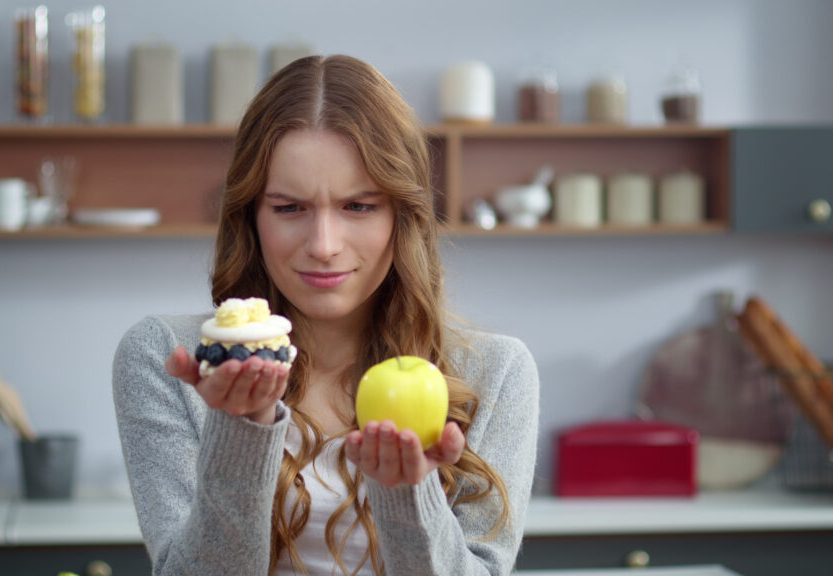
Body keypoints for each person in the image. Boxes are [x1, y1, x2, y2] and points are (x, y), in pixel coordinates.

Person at [113, 54, 539, 576]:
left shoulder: (495, 374)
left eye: (358, 206)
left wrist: (409, 498)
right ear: (250, 216)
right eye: (289, 208)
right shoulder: (171, 360)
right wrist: (241, 431)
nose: (323, 246)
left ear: (402, 217)